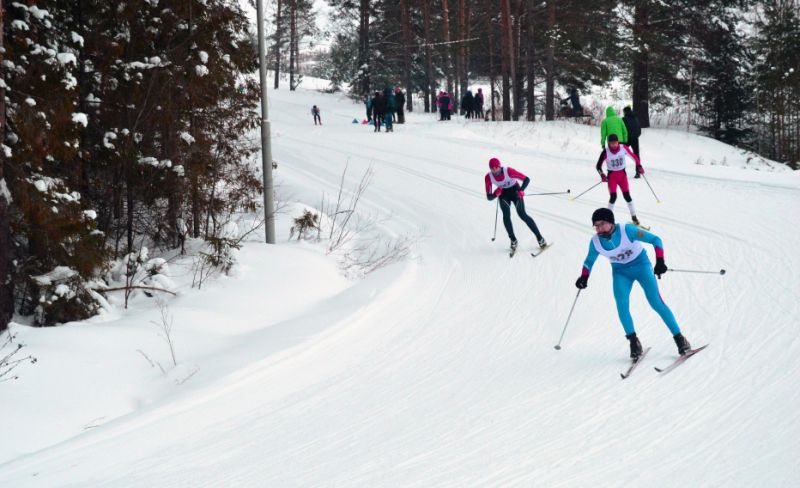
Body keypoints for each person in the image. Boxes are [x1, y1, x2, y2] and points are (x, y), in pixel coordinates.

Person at [575, 208, 692, 359]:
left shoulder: (627, 230)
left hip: (641, 267)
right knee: (621, 305)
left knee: (656, 302)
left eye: (602, 224)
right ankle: (633, 342)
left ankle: (680, 339)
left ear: (611, 222)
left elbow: (656, 240)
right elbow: (589, 261)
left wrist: (660, 261)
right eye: (596, 225)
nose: (599, 229)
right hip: (621, 273)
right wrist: (584, 277)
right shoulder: (596, 242)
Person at [484, 157, 547, 253]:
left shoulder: (508, 171)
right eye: (492, 168)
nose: (494, 170)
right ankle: (513, 240)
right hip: (503, 195)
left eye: (496, 167)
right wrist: (495, 194)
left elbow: (526, 179)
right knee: (506, 216)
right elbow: (489, 197)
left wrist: (521, 190)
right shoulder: (488, 177)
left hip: (515, 192)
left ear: (499, 166)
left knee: (522, 214)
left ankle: (540, 238)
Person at [596, 134, 644, 226]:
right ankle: (607, 219)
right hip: (612, 177)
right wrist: (602, 174)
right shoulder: (606, 152)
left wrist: (639, 166)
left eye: (615, 142)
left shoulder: (623, 148)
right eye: (611, 143)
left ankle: (634, 217)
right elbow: (598, 166)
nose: (614, 145)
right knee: (613, 197)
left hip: (622, 176)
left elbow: (634, 157)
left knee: (627, 196)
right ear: (608, 143)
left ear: (618, 141)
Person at [622, 106, 642, 176]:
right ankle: (638, 171)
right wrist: (636, 136)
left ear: (625, 112)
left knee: (621, 153)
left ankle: (622, 171)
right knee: (636, 154)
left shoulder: (623, 119)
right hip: (635, 139)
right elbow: (639, 130)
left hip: (627, 139)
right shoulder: (636, 118)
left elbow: (622, 130)